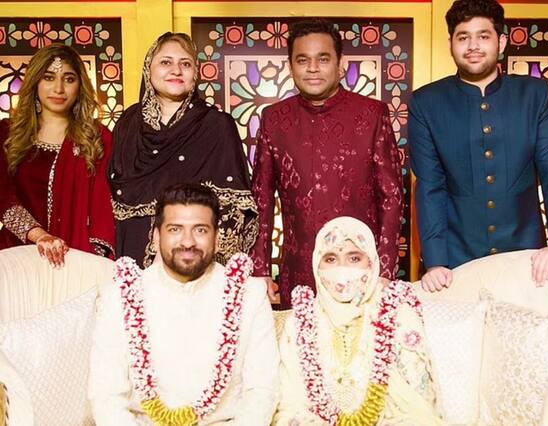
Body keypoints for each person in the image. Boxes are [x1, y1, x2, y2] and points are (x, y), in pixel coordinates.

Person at [409, 0, 548, 291]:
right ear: (451, 44)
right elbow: (430, 186)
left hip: (528, 259)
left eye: (483, 36)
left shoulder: (534, 94)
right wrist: (435, 262)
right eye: (463, 37)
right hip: (456, 262)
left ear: (501, 42)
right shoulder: (426, 103)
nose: (473, 46)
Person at [89, 183, 278, 425]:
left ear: (217, 239)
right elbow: (106, 396)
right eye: (175, 229)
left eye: (200, 230)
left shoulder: (249, 295)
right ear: (156, 237)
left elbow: (262, 392)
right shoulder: (119, 297)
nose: (188, 242)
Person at [251, 19, 403, 308]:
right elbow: (262, 199)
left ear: (340, 64)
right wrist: (260, 270)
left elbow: (392, 196)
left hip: (360, 270)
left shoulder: (372, 114)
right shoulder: (274, 118)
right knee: (298, 336)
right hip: (299, 269)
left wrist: (384, 271)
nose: (313, 68)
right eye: (302, 60)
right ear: (290, 66)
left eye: (323, 59)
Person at [274, 216, 443, 425]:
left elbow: (419, 402)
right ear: (316, 264)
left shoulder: (398, 315)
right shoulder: (299, 323)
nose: (342, 269)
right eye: (330, 259)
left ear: (371, 262)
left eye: (354, 258)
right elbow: (290, 405)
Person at [109, 32, 256, 268]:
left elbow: (234, 206)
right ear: (148, 69)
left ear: (195, 72)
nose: (176, 70)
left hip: (193, 255)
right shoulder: (128, 125)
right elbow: (111, 197)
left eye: (185, 64)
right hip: (132, 250)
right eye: (166, 62)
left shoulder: (216, 125)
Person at [0, 44, 115, 267]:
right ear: (35, 82)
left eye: (69, 79)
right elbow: (3, 197)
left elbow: (104, 207)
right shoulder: (7, 134)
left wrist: (93, 263)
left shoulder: (97, 138)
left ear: (80, 86)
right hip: (17, 259)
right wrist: (40, 236)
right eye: (49, 77)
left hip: (77, 260)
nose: (59, 88)